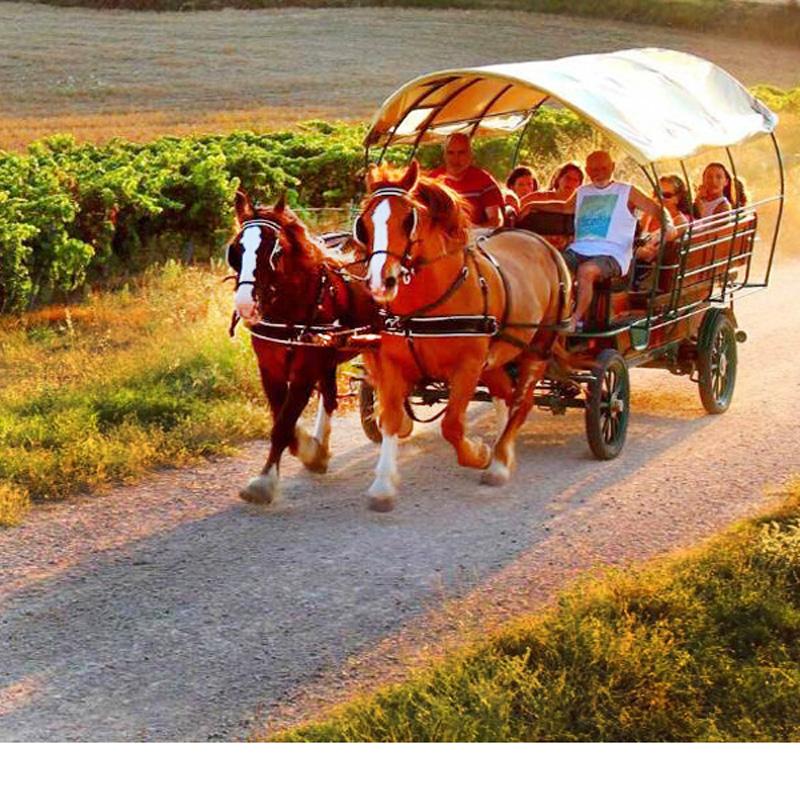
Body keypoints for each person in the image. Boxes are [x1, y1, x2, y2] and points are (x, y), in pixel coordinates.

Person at [524, 150, 676, 330]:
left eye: (603, 168)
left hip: (613, 255)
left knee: (586, 271)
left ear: (612, 167)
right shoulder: (583, 191)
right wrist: (531, 204)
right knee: (551, 265)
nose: (598, 172)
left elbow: (657, 209)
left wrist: (668, 225)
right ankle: (543, 315)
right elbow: (565, 207)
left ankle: (574, 320)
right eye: (593, 169)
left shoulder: (627, 191)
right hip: (578, 249)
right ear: (587, 170)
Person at [428, 133, 504, 227]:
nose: (455, 159)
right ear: (444, 155)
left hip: (475, 238)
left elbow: (495, 220)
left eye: (461, 153)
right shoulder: (431, 181)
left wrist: (474, 231)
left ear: (471, 154)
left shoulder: (484, 180)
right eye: (450, 153)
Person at [517, 162, 584, 249]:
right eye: (568, 178)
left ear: (580, 185)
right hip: (532, 245)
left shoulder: (582, 204)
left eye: (575, 180)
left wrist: (568, 240)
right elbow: (515, 218)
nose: (570, 182)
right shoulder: (536, 197)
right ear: (558, 178)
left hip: (567, 251)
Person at [636, 174, 692, 263]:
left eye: (667, 195)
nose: (660, 198)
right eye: (657, 193)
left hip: (651, 267)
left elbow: (657, 252)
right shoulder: (649, 214)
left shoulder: (680, 222)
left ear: (678, 198)